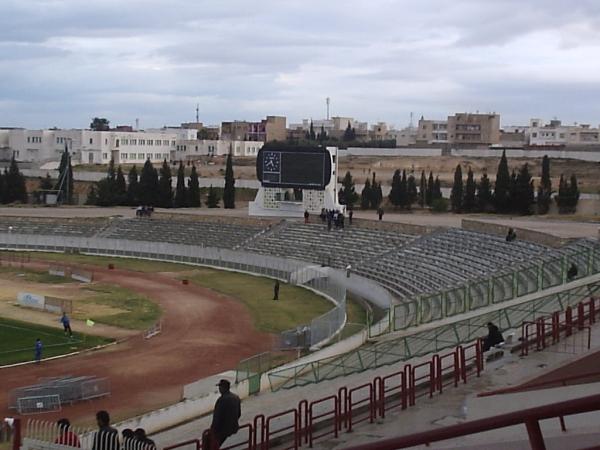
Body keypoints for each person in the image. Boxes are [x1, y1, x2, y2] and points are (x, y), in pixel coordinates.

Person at [209, 379, 241, 449]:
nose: (219, 389)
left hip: (222, 430)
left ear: (223, 388)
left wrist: (212, 430)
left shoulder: (221, 400)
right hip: (233, 427)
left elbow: (217, 418)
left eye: (220, 387)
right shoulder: (236, 397)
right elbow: (238, 414)